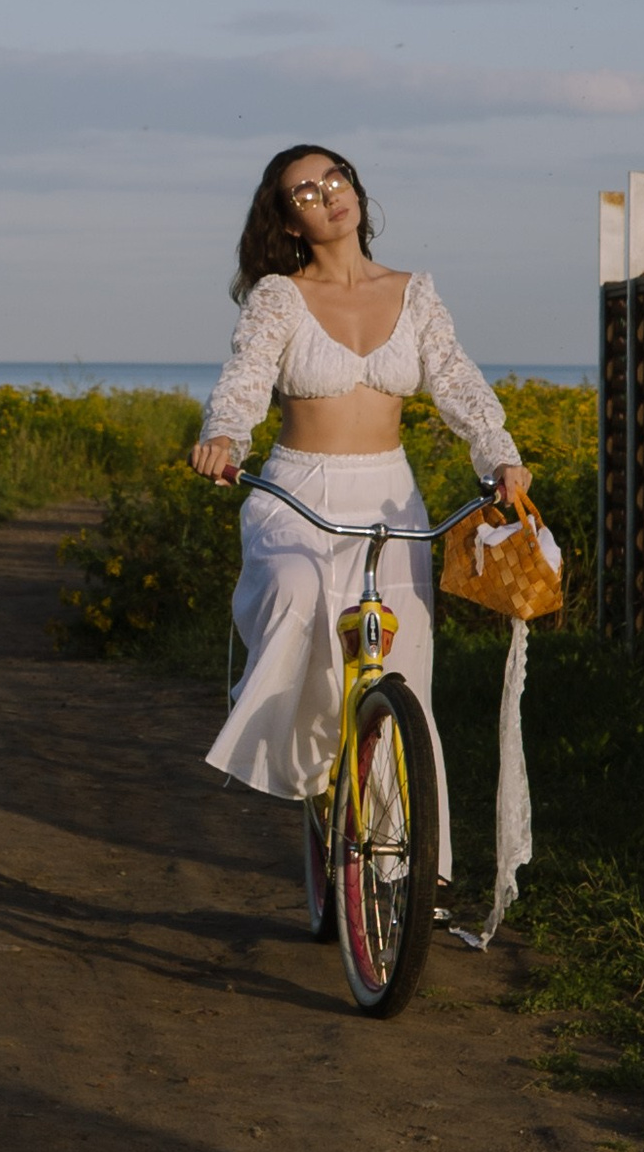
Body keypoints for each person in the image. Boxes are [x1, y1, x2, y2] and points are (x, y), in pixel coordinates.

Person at [191, 146, 531, 877]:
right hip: (297, 494)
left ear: (355, 187)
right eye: (304, 193)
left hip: (388, 496)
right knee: (297, 594)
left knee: (403, 670)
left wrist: (498, 456)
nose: (327, 195)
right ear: (289, 221)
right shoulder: (279, 296)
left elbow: (458, 382)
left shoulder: (414, 292)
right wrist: (224, 436)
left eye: (334, 178)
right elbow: (245, 380)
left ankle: (402, 877)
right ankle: (311, 771)